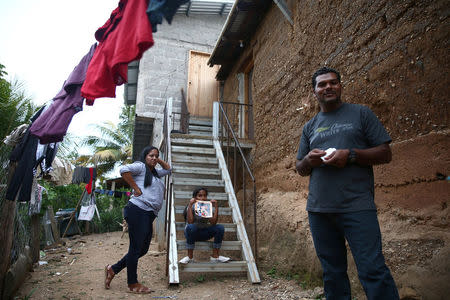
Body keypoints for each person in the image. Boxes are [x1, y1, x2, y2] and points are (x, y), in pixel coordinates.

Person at [296, 67, 399, 299]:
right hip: (319, 211)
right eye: (322, 85)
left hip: (357, 206)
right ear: (315, 92)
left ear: (340, 86)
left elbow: (385, 153)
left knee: (373, 270)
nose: (328, 87)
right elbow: (300, 168)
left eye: (333, 83)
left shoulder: (361, 114)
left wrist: (350, 155)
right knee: (332, 273)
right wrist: (309, 160)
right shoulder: (309, 127)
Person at [104, 146, 171, 294]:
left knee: (143, 249)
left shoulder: (155, 173)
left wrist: (156, 159)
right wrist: (135, 187)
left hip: (148, 213)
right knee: (135, 248)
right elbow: (123, 170)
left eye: (156, 156)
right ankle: (132, 284)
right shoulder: (140, 166)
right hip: (138, 210)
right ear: (144, 156)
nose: (154, 158)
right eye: (151, 156)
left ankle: (113, 269)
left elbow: (168, 169)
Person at [179, 187, 230, 264]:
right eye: (200, 195)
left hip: (203, 233)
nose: (203, 198)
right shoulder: (191, 206)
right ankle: (190, 257)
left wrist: (216, 207)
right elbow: (190, 221)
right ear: (195, 197)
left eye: (205, 196)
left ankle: (215, 256)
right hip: (192, 234)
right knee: (191, 227)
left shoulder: (207, 207)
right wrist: (190, 205)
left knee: (220, 228)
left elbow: (213, 223)